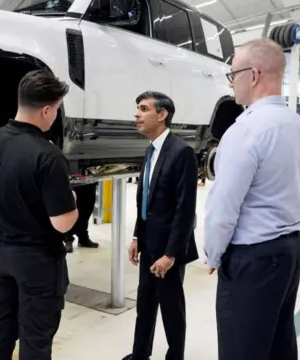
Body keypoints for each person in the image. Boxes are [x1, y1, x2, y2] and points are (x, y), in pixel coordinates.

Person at [204, 38, 300, 360]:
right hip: (290, 249)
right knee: (278, 344)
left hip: (254, 257)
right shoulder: (297, 125)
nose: (231, 83)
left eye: (232, 74)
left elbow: (223, 207)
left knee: (243, 349)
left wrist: (213, 254)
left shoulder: (246, 130)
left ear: (252, 75)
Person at [0, 69, 79, 360]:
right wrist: (71, 200)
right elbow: (62, 223)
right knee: (36, 339)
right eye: (57, 110)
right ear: (46, 110)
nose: (56, 116)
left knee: (1, 328)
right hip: (37, 261)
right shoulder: (48, 155)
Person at [123, 91, 199, 360]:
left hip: (169, 247)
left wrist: (171, 254)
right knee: (145, 304)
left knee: (171, 308)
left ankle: (175, 355)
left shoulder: (182, 152)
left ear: (162, 114)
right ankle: (139, 354)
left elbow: (185, 209)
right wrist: (136, 236)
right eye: (137, 108)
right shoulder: (150, 150)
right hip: (148, 242)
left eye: (143, 109)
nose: (137, 114)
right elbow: (146, 199)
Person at [64, 182, 100, 253]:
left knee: (88, 206)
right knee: (73, 206)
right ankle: (68, 239)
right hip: (73, 177)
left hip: (90, 177)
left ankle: (83, 237)